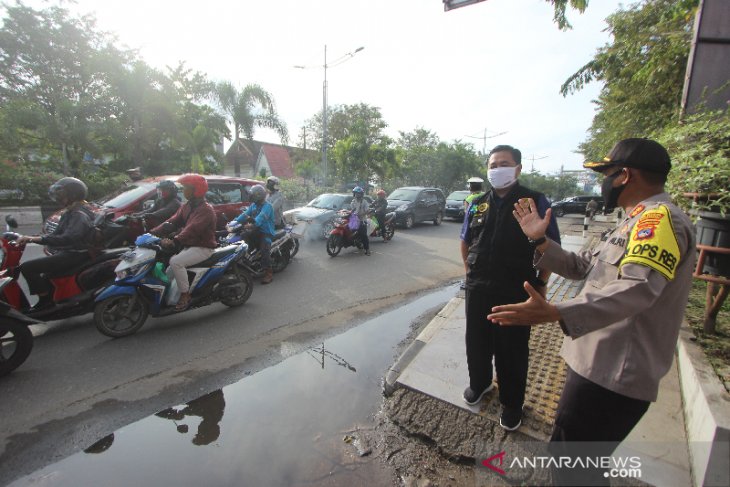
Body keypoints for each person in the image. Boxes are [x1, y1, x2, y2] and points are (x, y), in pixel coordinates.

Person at [487, 138, 695, 485]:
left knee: (574, 467)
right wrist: (540, 240)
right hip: (596, 361)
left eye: (606, 173)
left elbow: (638, 288)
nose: (603, 182)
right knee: (575, 462)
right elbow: (582, 267)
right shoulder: (631, 220)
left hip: (614, 371)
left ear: (625, 175)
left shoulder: (658, 222)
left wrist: (556, 311)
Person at [460, 144, 560, 431]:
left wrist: (541, 283)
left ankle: (512, 404)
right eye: (492, 164)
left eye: (503, 163)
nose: (496, 169)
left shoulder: (535, 201)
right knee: (476, 342)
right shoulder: (478, 201)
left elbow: (550, 249)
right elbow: (466, 241)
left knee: (512, 350)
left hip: (516, 289)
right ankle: (479, 384)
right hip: (478, 288)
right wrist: (469, 273)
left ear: (517, 168)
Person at [17, 177, 96, 311]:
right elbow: (56, 234)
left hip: (76, 254)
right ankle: (52, 297)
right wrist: (32, 238)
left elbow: (69, 238)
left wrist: (37, 240)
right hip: (67, 252)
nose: (59, 198)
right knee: (41, 270)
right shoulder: (70, 212)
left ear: (73, 195)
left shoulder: (79, 214)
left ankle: (46, 302)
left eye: (62, 195)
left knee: (27, 267)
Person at [150, 174, 216, 311]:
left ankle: (185, 295)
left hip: (203, 247)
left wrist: (175, 240)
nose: (184, 191)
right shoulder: (187, 206)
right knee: (169, 270)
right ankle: (165, 296)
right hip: (190, 246)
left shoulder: (206, 210)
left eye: (187, 188)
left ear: (196, 190)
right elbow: (172, 221)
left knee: (176, 262)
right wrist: (151, 233)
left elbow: (192, 229)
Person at [232, 184, 275, 284]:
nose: (251, 197)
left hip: (266, 232)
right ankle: (248, 261)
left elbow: (260, 219)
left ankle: (268, 272)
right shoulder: (254, 205)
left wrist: (251, 225)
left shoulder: (267, 206)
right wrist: (234, 222)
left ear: (258, 196)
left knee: (264, 250)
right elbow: (245, 214)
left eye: (252, 195)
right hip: (256, 230)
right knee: (242, 237)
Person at [350, 186, 370, 256]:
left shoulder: (364, 202)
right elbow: (352, 210)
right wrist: (349, 212)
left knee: (364, 235)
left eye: (359, 194)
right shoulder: (353, 202)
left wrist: (361, 214)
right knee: (348, 230)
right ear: (354, 194)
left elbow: (367, 210)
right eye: (356, 193)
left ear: (361, 194)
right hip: (354, 220)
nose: (357, 195)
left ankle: (367, 249)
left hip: (362, 220)